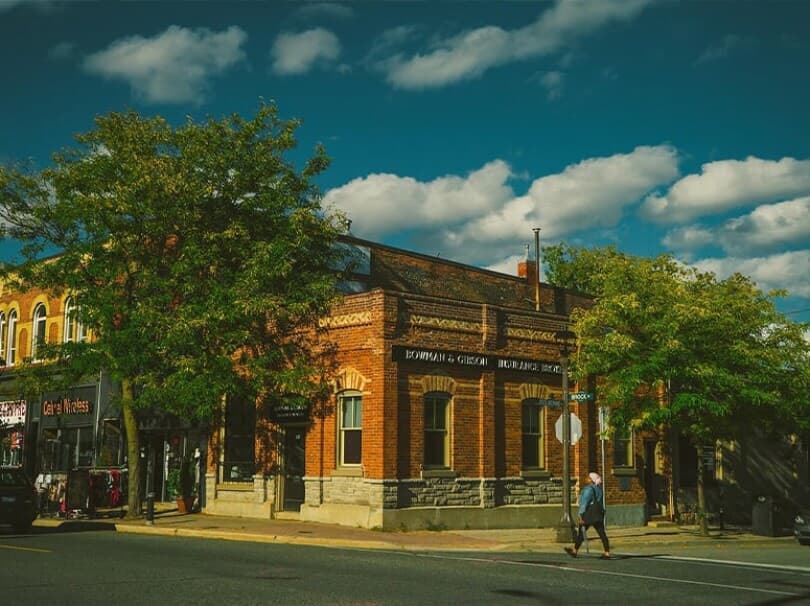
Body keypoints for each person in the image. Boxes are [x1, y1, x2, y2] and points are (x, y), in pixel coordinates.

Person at [565, 472, 611, 559]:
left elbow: (584, 503)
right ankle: (607, 552)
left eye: (588, 477)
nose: (586, 478)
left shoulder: (588, 489)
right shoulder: (599, 489)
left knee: (581, 533)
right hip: (598, 514)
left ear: (591, 480)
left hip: (588, 514)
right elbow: (600, 503)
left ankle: (575, 551)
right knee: (602, 533)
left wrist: (581, 515)